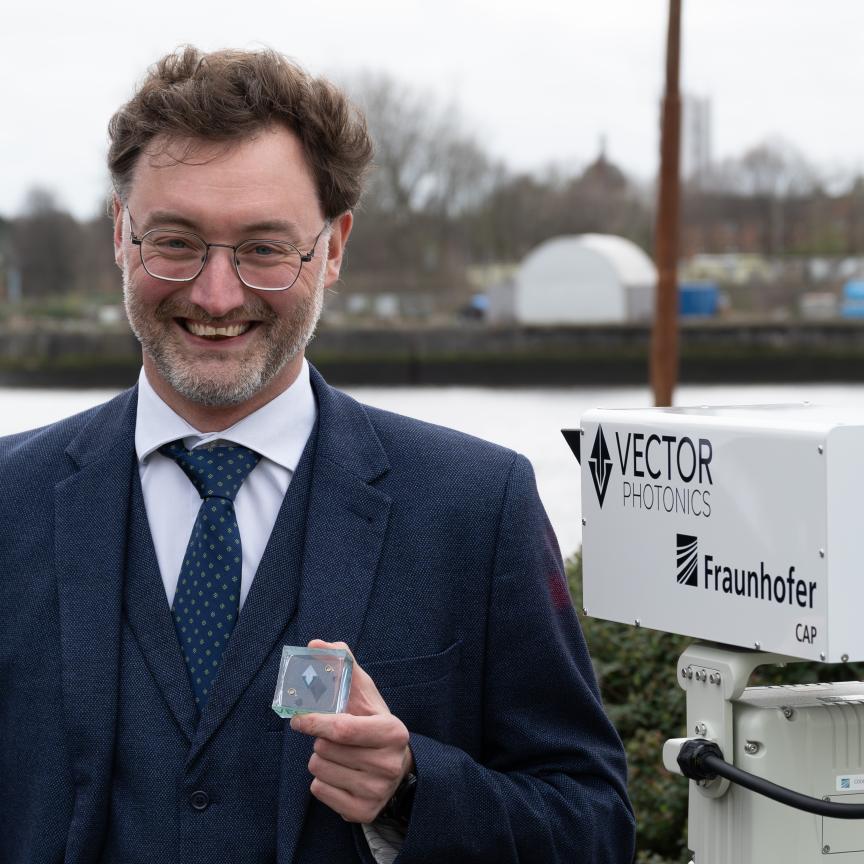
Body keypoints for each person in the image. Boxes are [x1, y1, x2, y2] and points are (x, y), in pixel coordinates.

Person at [0, 47, 635, 864]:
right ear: (122, 235)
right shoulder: (9, 504)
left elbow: (591, 828)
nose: (216, 294)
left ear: (333, 248)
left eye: (264, 249)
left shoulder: (476, 506)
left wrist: (411, 789)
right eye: (175, 241)